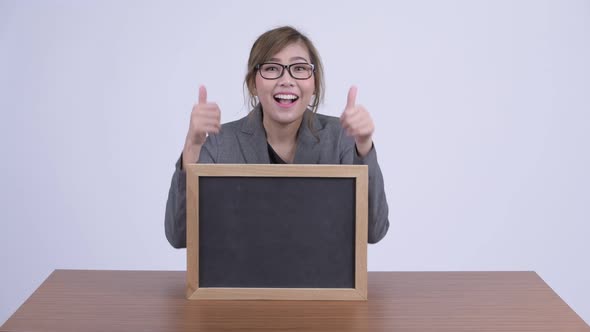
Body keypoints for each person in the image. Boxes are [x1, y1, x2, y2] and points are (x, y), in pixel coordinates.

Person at [165, 26, 389, 248]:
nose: (286, 79)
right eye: (272, 68)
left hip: (321, 281)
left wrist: (364, 145)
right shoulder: (218, 142)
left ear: (314, 83)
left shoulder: (341, 137)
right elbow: (180, 236)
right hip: (240, 280)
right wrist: (192, 147)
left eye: (299, 68)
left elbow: (374, 230)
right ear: (253, 83)